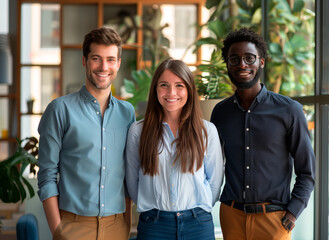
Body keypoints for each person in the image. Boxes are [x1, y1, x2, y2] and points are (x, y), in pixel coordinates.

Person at [211, 27, 316, 240]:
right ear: (228, 65)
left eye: (249, 58)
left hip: (274, 220)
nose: (242, 64)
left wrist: (293, 213)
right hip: (231, 217)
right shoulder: (220, 113)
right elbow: (211, 165)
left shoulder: (289, 110)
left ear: (261, 62)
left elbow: (307, 172)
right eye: (235, 59)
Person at [37, 27, 135, 240]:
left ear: (118, 63)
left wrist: (126, 224)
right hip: (73, 227)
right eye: (96, 58)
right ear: (85, 61)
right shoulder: (60, 109)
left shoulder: (127, 113)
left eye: (110, 59)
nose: (103, 67)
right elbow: (46, 174)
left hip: (117, 228)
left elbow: (128, 173)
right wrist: (58, 230)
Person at [125, 58, 224, 240]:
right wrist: (152, 209)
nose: (171, 92)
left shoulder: (207, 131)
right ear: (155, 89)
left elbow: (215, 181)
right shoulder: (138, 131)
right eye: (164, 85)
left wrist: (198, 209)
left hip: (197, 225)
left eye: (179, 85)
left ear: (189, 90)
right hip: (154, 226)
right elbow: (132, 180)